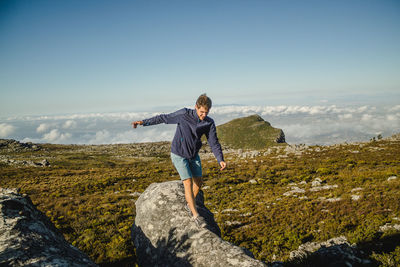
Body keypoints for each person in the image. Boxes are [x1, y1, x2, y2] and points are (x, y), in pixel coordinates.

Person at [131, 94, 226, 228]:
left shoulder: (208, 123)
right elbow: (164, 118)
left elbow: (213, 141)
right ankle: (195, 215)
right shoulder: (184, 114)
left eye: (206, 112)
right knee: (187, 182)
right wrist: (142, 122)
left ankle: (189, 204)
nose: (203, 115)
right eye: (201, 112)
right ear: (196, 107)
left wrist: (220, 159)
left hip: (193, 155)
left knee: (198, 183)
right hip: (178, 154)